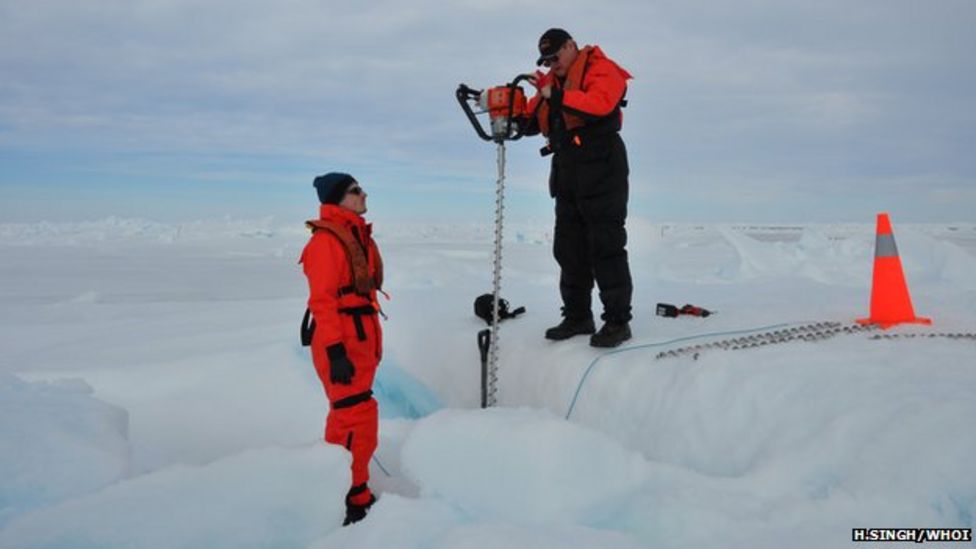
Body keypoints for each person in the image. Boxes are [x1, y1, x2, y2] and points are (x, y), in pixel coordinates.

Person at [523, 28, 635, 347]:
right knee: (569, 247)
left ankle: (616, 321)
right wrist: (496, 104)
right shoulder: (552, 85)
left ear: (571, 46)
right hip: (568, 168)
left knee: (606, 244)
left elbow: (599, 103)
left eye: (555, 57)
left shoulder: (601, 69)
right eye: (546, 61)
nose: (551, 65)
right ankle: (577, 316)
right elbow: (531, 119)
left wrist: (552, 95)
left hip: (601, 163)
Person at [300, 172, 383, 526]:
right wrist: (335, 350)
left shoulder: (354, 234)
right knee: (352, 418)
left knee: (357, 415)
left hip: (359, 338)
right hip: (344, 342)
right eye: (355, 190)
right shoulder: (325, 243)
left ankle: (354, 489)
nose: (363, 193)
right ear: (338, 199)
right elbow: (322, 301)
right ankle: (349, 497)